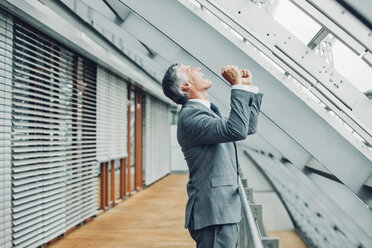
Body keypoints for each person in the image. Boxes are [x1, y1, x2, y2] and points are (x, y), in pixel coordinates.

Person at [162, 63, 263, 248]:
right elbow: (236, 131)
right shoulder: (191, 116)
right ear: (186, 85)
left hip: (219, 209)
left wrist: (247, 88)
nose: (199, 69)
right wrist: (236, 87)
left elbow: (246, 128)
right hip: (215, 211)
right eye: (192, 70)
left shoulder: (202, 113)